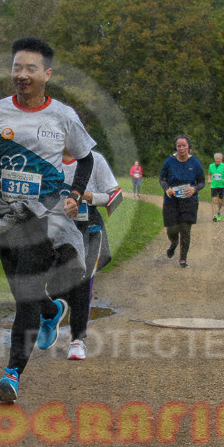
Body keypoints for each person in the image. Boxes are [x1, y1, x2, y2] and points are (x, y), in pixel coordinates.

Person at [0, 37, 96, 402]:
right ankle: (51, 308)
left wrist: (73, 196)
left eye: (30, 69)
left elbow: (85, 158)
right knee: (19, 287)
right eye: (16, 68)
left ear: (47, 74)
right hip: (6, 214)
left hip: (47, 214)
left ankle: (12, 374)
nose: (22, 75)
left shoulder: (63, 116)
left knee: (24, 292)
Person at [61, 149, 122, 360]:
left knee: (82, 279)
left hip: (89, 227)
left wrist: (89, 196)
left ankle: (77, 339)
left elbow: (114, 195)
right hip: (56, 228)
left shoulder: (95, 159)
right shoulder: (46, 156)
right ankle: (54, 313)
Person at [159, 134, 205, 268]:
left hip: (189, 201)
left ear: (188, 146)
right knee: (172, 230)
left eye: (184, 145)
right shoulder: (169, 162)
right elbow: (162, 179)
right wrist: (167, 188)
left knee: (185, 229)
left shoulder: (195, 162)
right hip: (171, 201)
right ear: (176, 147)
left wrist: (194, 189)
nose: (181, 148)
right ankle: (174, 243)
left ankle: (183, 259)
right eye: (179, 146)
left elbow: (201, 182)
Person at [208, 152, 224, 221]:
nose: (218, 160)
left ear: (222, 159)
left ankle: (218, 212)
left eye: (220, 159)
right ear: (214, 159)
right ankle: (214, 215)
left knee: (220, 201)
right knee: (214, 200)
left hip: (221, 186)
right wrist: (209, 179)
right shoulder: (211, 166)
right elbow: (209, 174)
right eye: (217, 159)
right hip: (214, 186)